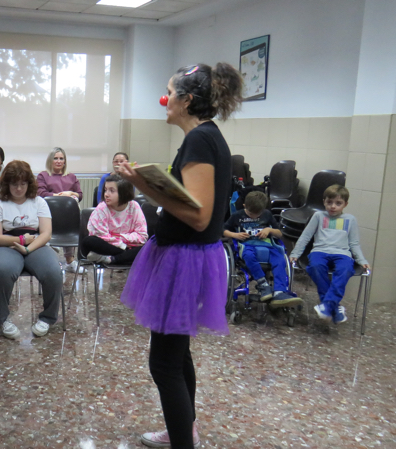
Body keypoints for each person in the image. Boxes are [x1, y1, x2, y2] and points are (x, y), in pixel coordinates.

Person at [116, 63, 244, 449]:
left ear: (187, 100)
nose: (164, 99)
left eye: (169, 92)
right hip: (186, 256)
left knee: (165, 363)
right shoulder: (204, 138)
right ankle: (181, 431)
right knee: (177, 354)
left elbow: (200, 214)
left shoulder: (201, 141)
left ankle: (182, 441)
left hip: (184, 261)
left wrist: (143, 185)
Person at [0, 160, 62, 340]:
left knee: (53, 271)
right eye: (14, 184)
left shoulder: (39, 202)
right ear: (7, 184)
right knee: (3, 271)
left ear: (29, 184)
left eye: (23, 184)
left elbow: (46, 233)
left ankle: (47, 317)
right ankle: (2, 319)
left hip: (35, 244)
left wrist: (28, 249)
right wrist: (20, 241)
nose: (19, 188)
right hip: (7, 245)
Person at [289, 185, 369, 324]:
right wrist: (296, 253)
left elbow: (354, 243)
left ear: (345, 204)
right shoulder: (318, 216)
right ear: (324, 201)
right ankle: (333, 307)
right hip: (320, 251)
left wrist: (361, 260)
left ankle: (327, 305)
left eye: (338, 203)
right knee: (315, 267)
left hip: (342, 253)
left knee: (345, 270)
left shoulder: (350, 219)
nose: (333, 206)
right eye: (329, 202)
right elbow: (305, 236)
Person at [223, 191, 302, 308]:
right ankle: (263, 284)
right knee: (248, 256)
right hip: (247, 245)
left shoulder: (267, 214)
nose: (254, 216)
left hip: (267, 245)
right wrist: (235, 235)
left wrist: (269, 230)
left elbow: (279, 233)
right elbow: (223, 230)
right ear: (245, 206)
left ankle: (279, 292)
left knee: (280, 259)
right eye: (251, 213)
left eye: (258, 213)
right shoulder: (237, 216)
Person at [36, 147, 84, 273]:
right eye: (55, 158)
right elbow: (41, 193)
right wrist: (60, 196)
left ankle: (69, 261)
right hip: (49, 214)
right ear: (50, 160)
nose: (58, 161)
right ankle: (53, 263)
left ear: (65, 161)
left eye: (61, 158)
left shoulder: (71, 176)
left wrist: (71, 193)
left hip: (68, 216)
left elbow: (80, 194)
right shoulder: (43, 175)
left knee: (71, 217)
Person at [84, 174, 147, 266]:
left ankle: (111, 259)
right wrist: (123, 245)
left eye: (111, 191)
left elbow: (142, 236)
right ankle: (124, 257)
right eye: (105, 190)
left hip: (125, 247)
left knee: (148, 247)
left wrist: (117, 237)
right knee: (88, 241)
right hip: (111, 247)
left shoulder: (134, 206)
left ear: (123, 192)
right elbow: (102, 236)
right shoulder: (102, 208)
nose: (106, 194)